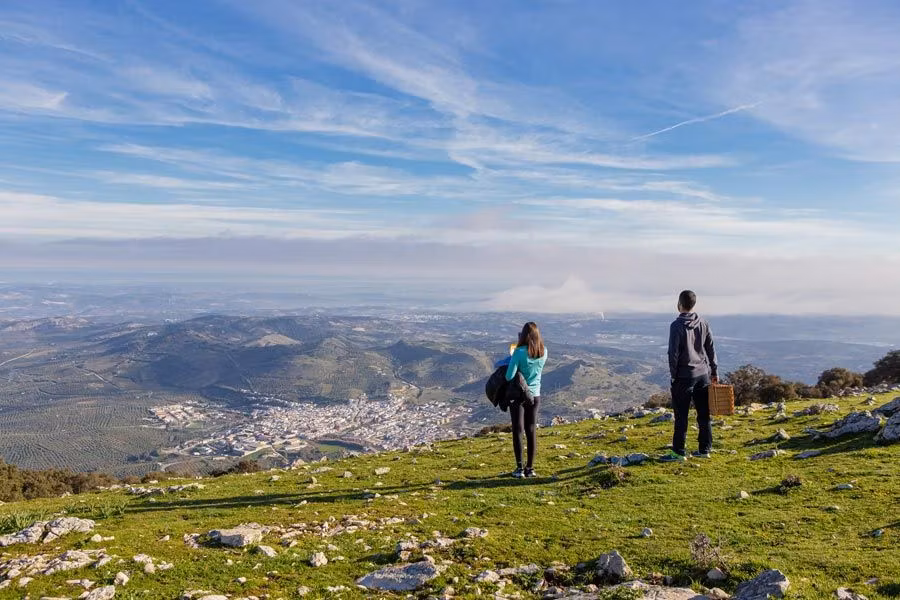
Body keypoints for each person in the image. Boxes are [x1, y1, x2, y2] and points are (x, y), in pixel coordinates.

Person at [660, 290, 718, 462]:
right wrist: (714, 371)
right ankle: (705, 449)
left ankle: (678, 452)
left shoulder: (676, 326)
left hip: (684, 377)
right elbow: (711, 348)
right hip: (703, 375)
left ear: (679, 304)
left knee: (681, 416)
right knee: (704, 414)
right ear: (694, 304)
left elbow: (673, 353)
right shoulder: (704, 323)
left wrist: (673, 375)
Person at [505, 321, 548, 478]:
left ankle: (519, 469)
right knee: (531, 430)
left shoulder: (519, 352)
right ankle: (530, 468)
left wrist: (512, 357)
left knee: (518, 430)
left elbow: (509, 376)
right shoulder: (544, 352)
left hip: (519, 396)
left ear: (522, 335)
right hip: (535, 396)